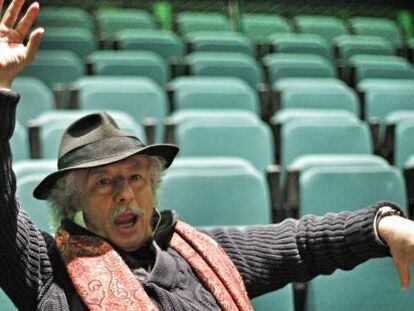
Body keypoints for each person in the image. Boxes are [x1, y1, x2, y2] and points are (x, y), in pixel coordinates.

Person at [1, 1, 414, 310]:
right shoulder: (48, 270)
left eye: (135, 178)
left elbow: (302, 243)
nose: (124, 194)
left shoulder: (203, 252)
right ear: (75, 205)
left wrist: (383, 226)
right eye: (103, 182)